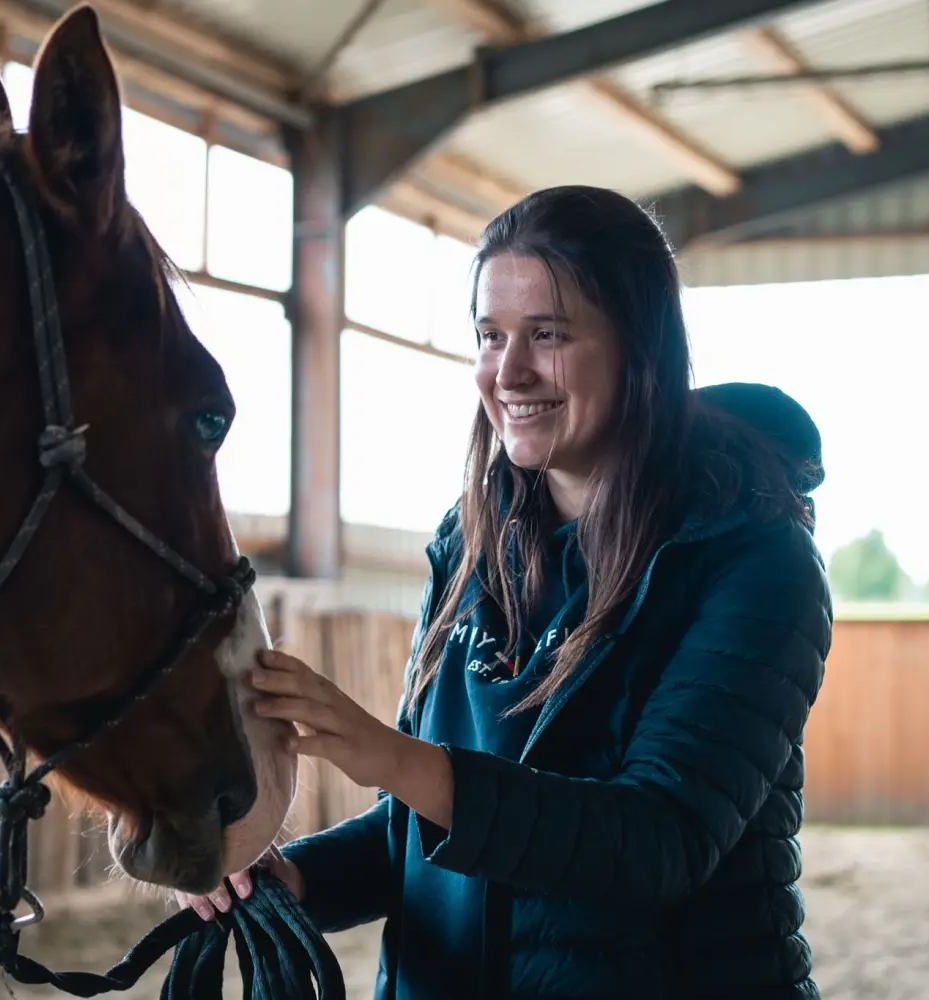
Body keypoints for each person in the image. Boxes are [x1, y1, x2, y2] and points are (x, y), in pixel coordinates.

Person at [179, 185, 833, 999]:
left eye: (547, 335)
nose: (509, 371)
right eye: (490, 336)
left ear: (641, 348)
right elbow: (426, 830)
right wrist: (289, 883)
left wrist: (394, 758)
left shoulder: (753, 562)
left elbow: (659, 841)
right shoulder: (471, 544)